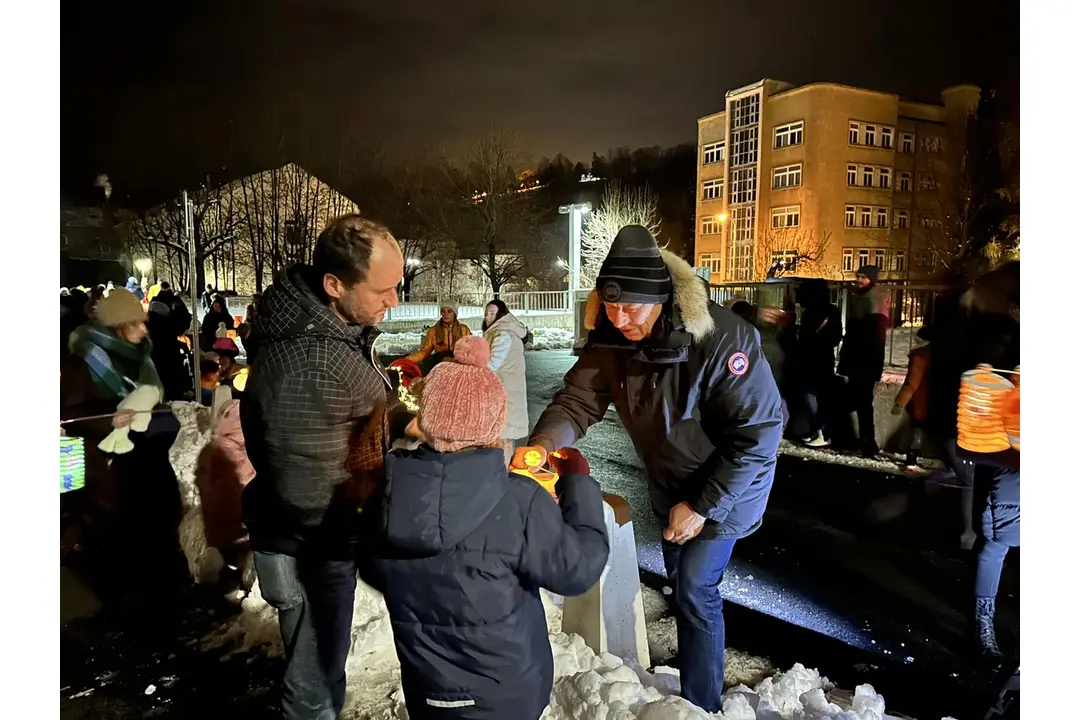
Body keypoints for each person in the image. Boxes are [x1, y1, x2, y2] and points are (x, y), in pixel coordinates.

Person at [514, 225, 784, 712]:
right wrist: (542, 445)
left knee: (697, 588)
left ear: (661, 297)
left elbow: (759, 434)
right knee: (681, 581)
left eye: (632, 307)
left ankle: (701, 705)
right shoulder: (612, 338)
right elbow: (578, 399)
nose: (621, 318)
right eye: (611, 307)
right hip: (670, 483)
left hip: (727, 485)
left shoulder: (723, 339)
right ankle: (690, 690)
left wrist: (701, 507)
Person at [375, 336, 608, 719]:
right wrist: (578, 484)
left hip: (428, 691)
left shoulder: (387, 492)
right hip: (508, 693)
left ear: (426, 421)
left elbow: (375, 567)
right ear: (494, 426)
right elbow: (577, 570)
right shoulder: (517, 501)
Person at [240, 214, 405, 720]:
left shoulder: (328, 330)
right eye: (383, 290)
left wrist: (396, 419)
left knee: (318, 669)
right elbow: (306, 487)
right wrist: (368, 538)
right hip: (312, 545)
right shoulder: (309, 362)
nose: (393, 301)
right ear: (334, 285)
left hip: (313, 538)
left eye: (398, 287)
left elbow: (338, 424)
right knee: (312, 686)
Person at [61, 290, 179, 563]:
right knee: (119, 550)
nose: (143, 328)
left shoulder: (143, 357)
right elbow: (71, 412)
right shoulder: (83, 361)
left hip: (147, 457)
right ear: (117, 326)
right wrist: (109, 419)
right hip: (107, 471)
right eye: (136, 323)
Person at [837, 265, 889, 457]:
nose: (858, 280)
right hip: (858, 361)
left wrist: (867, 363)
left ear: (872, 280)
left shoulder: (875, 300)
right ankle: (864, 443)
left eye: (863, 277)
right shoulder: (861, 298)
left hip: (864, 362)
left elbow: (873, 337)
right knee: (860, 404)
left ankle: (866, 444)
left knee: (862, 404)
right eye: (858, 276)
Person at [481, 299, 529, 464]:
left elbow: (493, 363)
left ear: (500, 315)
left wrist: (470, 368)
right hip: (507, 391)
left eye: (492, 313)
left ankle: (501, 479)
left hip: (505, 393)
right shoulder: (502, 331)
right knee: (505, 438)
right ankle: (503, 478)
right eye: (486, 313)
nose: (488, 317)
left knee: (502, 439)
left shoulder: (502, 334)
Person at [795, 279, 842, 448]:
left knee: (813, 396)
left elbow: (833, 335)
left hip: (818, 358)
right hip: (815, 357)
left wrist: (814, 341)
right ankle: (818, 431)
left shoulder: (824, 311)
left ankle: (822, 432)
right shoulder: (817, 310)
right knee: (812, 396)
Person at [892, 326, 933, 471]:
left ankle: (911, 459)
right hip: (936, 400)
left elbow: (912, 382)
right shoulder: (939, 354)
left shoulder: (920, 356)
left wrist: (900, 403)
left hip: (921, 403)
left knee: (917, 431)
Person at [401, 301, 471, 374]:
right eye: (443, 311)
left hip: (458, 365)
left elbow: (470, 351)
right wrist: (405, 361)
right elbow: (424, 352)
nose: (445, 314)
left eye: (449, 311)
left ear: (454, 314)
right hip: (440, 365)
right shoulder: (433, 331)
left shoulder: (464, 330)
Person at [147, 300, 192, 401]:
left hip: (153, 364)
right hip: (169, 364)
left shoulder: (146, 325)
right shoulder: (167, 325)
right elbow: (170, 344)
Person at [212, 328, 249, 396]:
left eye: (221, 358)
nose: (219, 361)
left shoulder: (240, 371)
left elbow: (239, 391)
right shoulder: (219, 371)